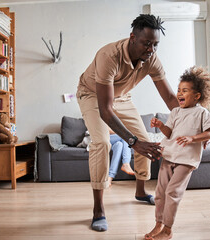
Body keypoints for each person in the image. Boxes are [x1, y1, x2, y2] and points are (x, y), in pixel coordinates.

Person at [76, 14, 178, 232]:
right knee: (102, 143)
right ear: (133, 37)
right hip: (92, 95)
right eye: (146, 43)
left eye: (155, 45)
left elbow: (170, 98)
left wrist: (195, 122)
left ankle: (140, 192)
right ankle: (98, 209)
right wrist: (132, 142)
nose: (151, 49)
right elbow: (105, 110)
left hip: (122, 97)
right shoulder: (108, 56)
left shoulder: (151, 59)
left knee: (145, 139)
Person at [145, 66, 210, 240]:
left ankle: (168, 230)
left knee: (173, 192)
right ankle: (158, 224)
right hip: (169, 156)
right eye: (178, 90)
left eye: (184, 91)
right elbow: (169, 132)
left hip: (186, 160)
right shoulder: (175, 111)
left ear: (197, 96)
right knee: (160, 193)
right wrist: (161, 126)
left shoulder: (201, 113)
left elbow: (209, 132)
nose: (179, 93)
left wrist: (192, 138)